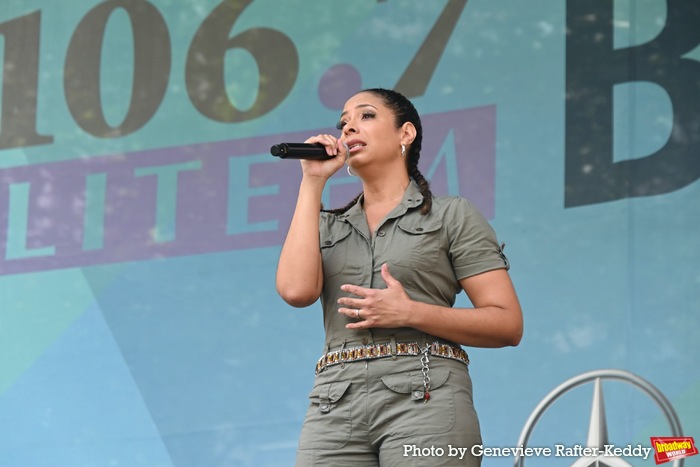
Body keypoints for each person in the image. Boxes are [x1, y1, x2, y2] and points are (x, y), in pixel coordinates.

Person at [276, 88, 523, 466]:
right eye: (343, 122)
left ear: (405, 134)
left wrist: (411, 313)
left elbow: (507, 324)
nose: (349, 126)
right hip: (333, 401)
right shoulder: (326, 226)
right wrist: (312, 181)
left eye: (366, 116)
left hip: (425, 394)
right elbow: (295, 291)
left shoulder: (451, 215)